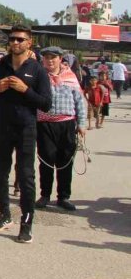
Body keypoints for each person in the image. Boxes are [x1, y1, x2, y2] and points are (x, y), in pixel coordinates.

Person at [0, 24, 52, 244]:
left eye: (20, 39)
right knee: (0, 173)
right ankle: (4, 215)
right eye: (12, 39)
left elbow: (46, 104)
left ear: (29, 42)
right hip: (1, 125)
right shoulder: (0, 66)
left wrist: (25, 90)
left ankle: (26, 223)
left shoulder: (37, 70)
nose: (15, 43)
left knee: (26, 176)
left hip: (26, 128)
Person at [35, 46, 86, 212]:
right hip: (44, 124)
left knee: (65, 161)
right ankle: (45, 195)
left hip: (67, 124)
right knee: (46, 159)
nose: (49, 60)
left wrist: (82, 124)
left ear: (60, 59)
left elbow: (80, 101)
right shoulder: (39, 77)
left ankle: (63, 196)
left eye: (53, 57)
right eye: (46, 57)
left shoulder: (70, 77)